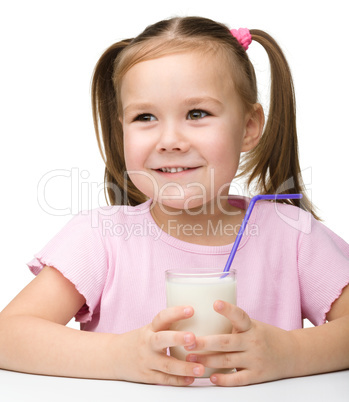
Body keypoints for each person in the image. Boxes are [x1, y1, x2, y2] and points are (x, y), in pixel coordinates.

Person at [0, 16, 348, 387]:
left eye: (197, 114)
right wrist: (117, 356)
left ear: (248, 126)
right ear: (121, 130)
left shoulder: (292, 235)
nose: (170, 140)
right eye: (145, 116)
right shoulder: (100, 238)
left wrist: (290, 352)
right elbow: (9, 335)